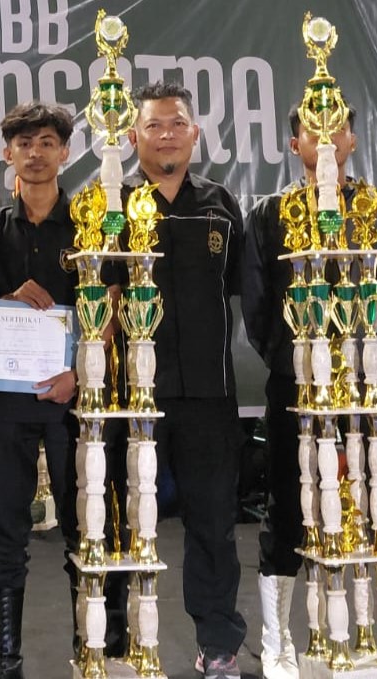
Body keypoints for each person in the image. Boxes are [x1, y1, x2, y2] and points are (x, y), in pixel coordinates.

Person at [241, 103, 377, 678]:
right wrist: (299, 365)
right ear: (293, 142)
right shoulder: (270, 214)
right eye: (312, 130)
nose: (325, 139)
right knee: (288, 506)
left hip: (375, 381)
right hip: (298, 385)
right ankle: (278, 640)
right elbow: (257, 306)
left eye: (336, 129)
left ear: (353, 138)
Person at [122, 81, 247, 679]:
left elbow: (252, 293)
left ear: (194, 133)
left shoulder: (221, 203)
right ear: (133, 137)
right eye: (153, 125)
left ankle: (218, 642)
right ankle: (119, 644)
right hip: (126, 399)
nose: (165, 133)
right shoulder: (108, 207)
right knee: (120, 524)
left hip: (209, 397)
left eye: (176, 124)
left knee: (213, 526)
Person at [0, 101, 92, 678]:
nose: (35, 153)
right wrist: (3, 303)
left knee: (82, 530)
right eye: (24, 143)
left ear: (65, 152)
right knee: (7, 537)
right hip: (8, 403)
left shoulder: (92, 223)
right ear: (6, 152)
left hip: (74, 402)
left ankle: (90, 650)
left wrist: (80, 374)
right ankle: (7, 660)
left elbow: (110, 308)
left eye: (47, 142)